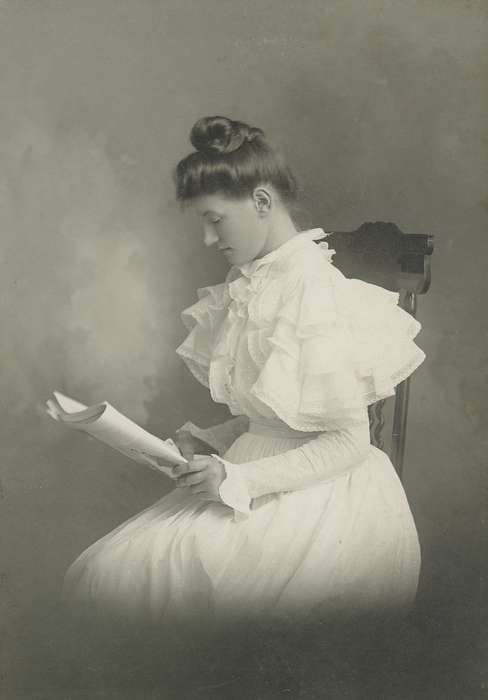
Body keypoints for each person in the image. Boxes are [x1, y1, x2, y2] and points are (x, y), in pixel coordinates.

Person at [63, 116, 425, 639]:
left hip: (325, 499)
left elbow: (347, 440)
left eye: (216, 221)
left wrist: (241, 479)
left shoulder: (310, 289)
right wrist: (212, 439)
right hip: (251, 477)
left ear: (261, 202)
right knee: (106, 572)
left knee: (147, 588)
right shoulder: (253, 283)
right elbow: (277, 414)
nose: (208, 239)